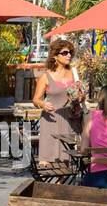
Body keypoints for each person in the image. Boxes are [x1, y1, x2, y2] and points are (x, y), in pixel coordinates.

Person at [32, 38, 81, 166]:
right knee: (48, 162)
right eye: (64, 53)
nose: (69, 55)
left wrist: (80, 98)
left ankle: (62, 185)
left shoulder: (74, 73)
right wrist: (42, 104)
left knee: (66, 161)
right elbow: (36, 99)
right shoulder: (45, 76)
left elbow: (81, 95)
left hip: (70, 120)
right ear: (55, 56)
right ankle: (48, 186)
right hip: (51, 121)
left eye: (70, 52)